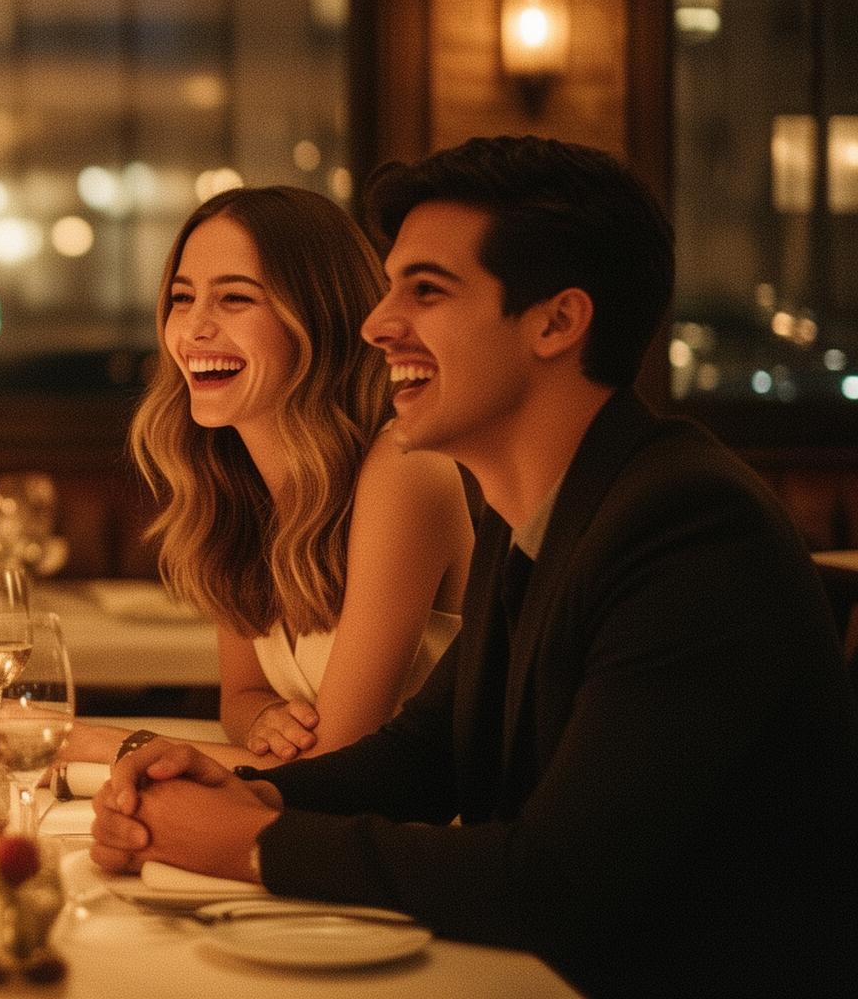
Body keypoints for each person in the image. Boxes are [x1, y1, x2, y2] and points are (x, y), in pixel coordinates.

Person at [91, 136, 858, 997]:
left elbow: (554, 881)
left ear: (557, 323)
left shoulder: (685, 525)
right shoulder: (539, 510)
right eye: (388, 291)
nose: (378, 326)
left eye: (426, 291)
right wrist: (260, 796)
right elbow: (427, 753)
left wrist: (244, 842)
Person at [68, 185, 472, 768]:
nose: (195, 328)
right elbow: (240, 697)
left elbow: (336, 765)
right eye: (183, 299)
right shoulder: (235, 484)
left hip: (422, 846)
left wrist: (89, 741)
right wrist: (262, 717)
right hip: (318, 831)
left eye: (235, 299)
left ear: (320, 317)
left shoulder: (403, 469)